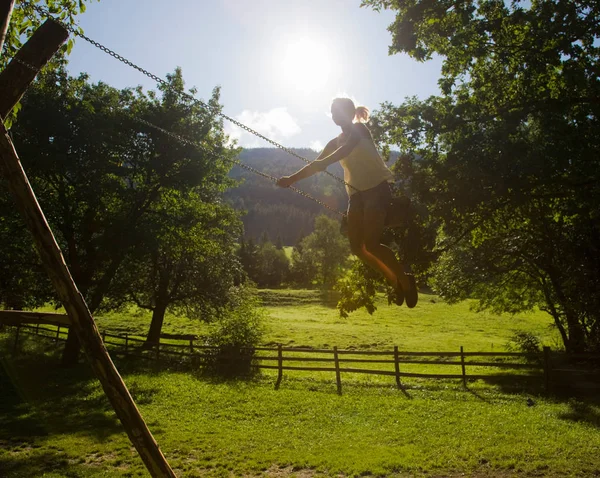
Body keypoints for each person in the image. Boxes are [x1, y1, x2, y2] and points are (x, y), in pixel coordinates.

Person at [276, 97, 417, 308]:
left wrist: (323, 163)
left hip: (377, 189)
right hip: (357, 195)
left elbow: (346, 150)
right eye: (332, 112)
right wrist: (291, 179)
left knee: (372, 244)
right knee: (357, 248)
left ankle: (405, 281)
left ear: (350, 114)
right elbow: (316, 164)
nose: (335, 115)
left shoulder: (360, 130)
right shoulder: (334, 142)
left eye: (339, 111)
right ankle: (394, 280)